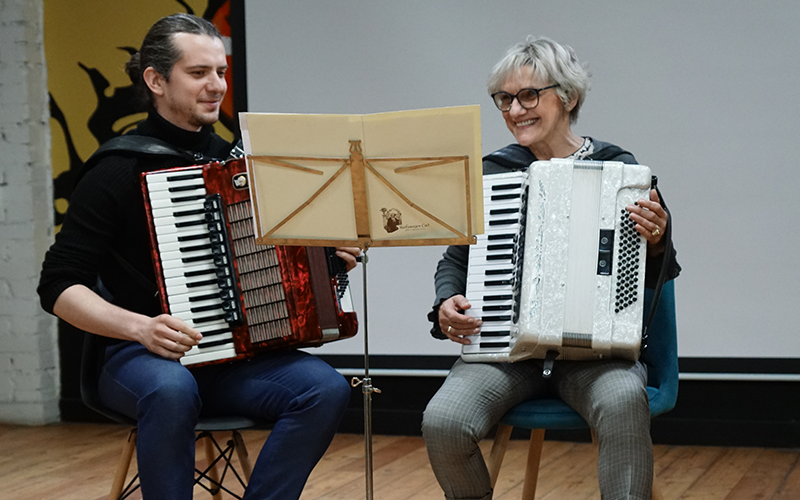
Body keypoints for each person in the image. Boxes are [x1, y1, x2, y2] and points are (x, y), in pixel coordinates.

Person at [37, 13, 358, 500]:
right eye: (199, 72)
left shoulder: (236, 163)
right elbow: (58, 285)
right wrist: (140, 328)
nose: (216, 86)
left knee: (325, 389)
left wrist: (326, 258)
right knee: (171, 389)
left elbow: (277, 261)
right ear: (156, 80)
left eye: (221, 72)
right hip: (137, 356)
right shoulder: (115, 169)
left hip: (231, 357)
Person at [421, 37, 681, 500]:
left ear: (568, 97)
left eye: (528, 95)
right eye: (504, 98)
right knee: (444, 421)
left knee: (624, 400)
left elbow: (659, 271)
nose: (514, 109)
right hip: (507, 354)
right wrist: (446, 302)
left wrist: (658, 240)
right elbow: (456, 259)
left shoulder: (619, 170)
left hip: (596, 358)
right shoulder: (493, 173)